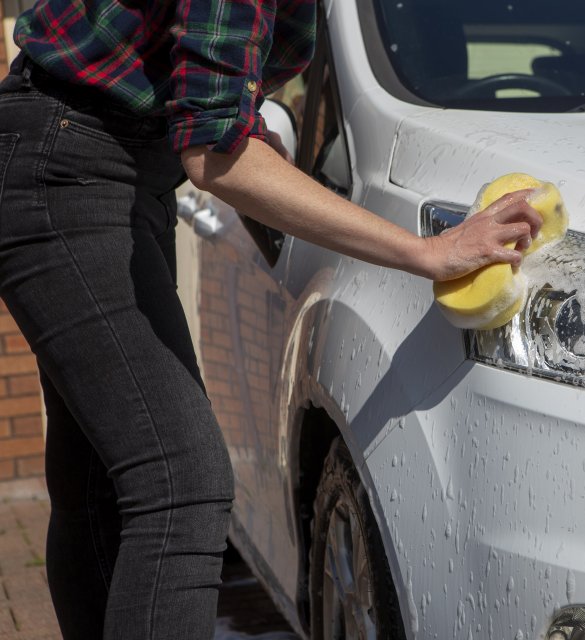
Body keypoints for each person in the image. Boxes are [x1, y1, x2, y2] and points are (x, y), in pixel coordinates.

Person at [0, 0, 542, 637]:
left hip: (109, 167)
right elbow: (216, 153)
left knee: (103, 482)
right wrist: (427, 252)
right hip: (68, 169)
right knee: (182, 482)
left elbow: (210, 110)